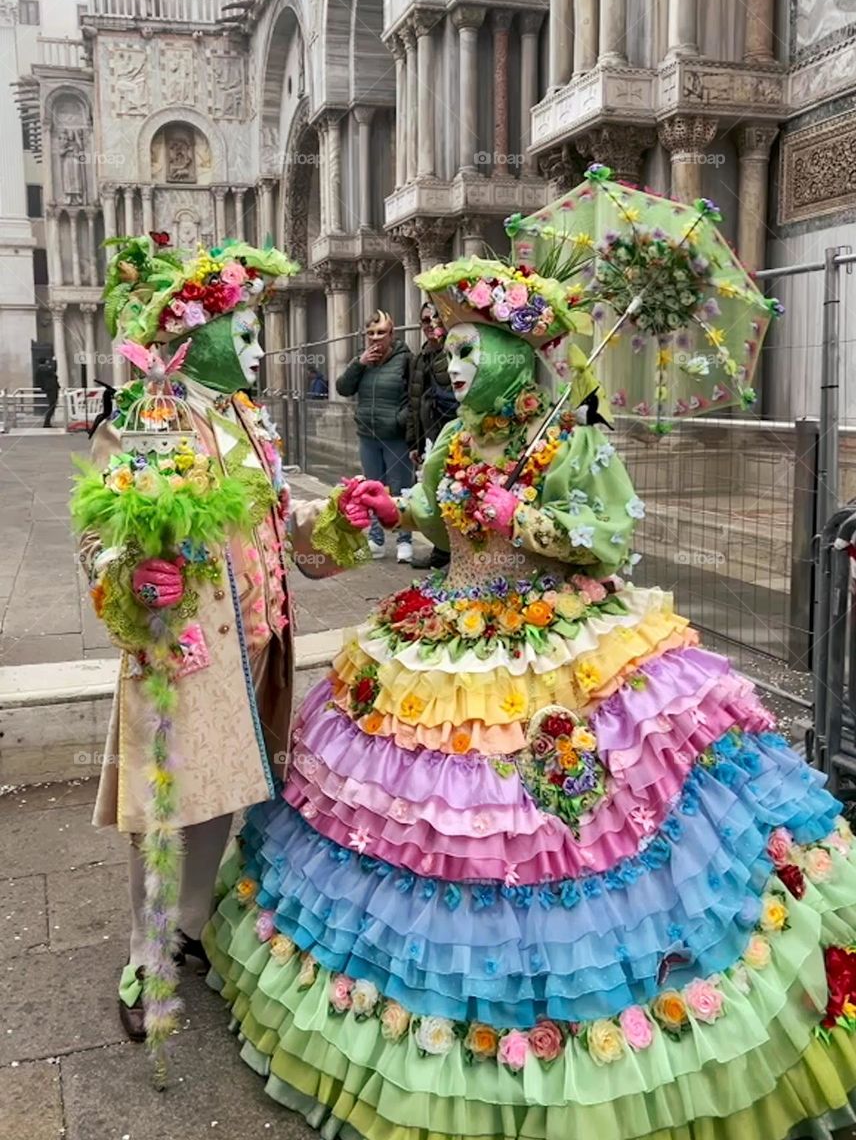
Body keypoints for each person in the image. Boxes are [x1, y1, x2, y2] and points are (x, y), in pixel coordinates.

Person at [203, 255, 856, 1140]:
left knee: (563, 824)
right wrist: (392, 514)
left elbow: (612, 538)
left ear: (515, 349)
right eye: (450, 348)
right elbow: (435, 519)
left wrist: (533, 521)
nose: (455, 363)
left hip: (556, 649)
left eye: (470, 347)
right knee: (424, 818)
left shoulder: (573, 438)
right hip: (445, 636)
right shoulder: (457, 440)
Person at [75, 233, 373, 1043]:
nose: (256, 347)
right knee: (167, 807)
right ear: (195, 333)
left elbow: (282, 530)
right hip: (187, 651)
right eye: (240, 331)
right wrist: (137, 582)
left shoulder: (247, 419)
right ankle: (148, 955)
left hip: (258, 649)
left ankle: (190, 926)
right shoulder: (150, 416)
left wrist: (336, 520)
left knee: (225, 797)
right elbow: (104, 537)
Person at [336, 309, 414, 562]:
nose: (375, 338)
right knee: (371, 488)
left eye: (381, 333)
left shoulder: (405, 360)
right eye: (370, 333)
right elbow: (343, 388)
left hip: (394, 436)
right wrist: (359, 364)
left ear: (392, 334)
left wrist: (399, 421)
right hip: (368, 435)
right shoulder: (363, 362)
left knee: (401, 488)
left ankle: (404, 540)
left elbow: (415, 395)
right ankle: (376, 539)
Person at [406, 302, 456, 569]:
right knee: (435, 492)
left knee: (453, 494)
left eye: (437, 319)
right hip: (431, 437)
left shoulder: (453, 355)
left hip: (455, 439)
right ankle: (441, 549)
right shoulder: (421, 357)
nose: (431, 325)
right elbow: (414, 402)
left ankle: (453, 552)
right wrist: (414, 442)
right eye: (426, 321)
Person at [36, 356, 60, 428]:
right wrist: (55, 361)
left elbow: (38, 381)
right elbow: (54, 369)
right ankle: (46, 422)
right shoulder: (44, 368)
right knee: (52, 405)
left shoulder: (40, 369)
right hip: (51, 388)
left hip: (49, 388)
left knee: (52, 405)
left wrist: (43, 387)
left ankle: (47, 422)